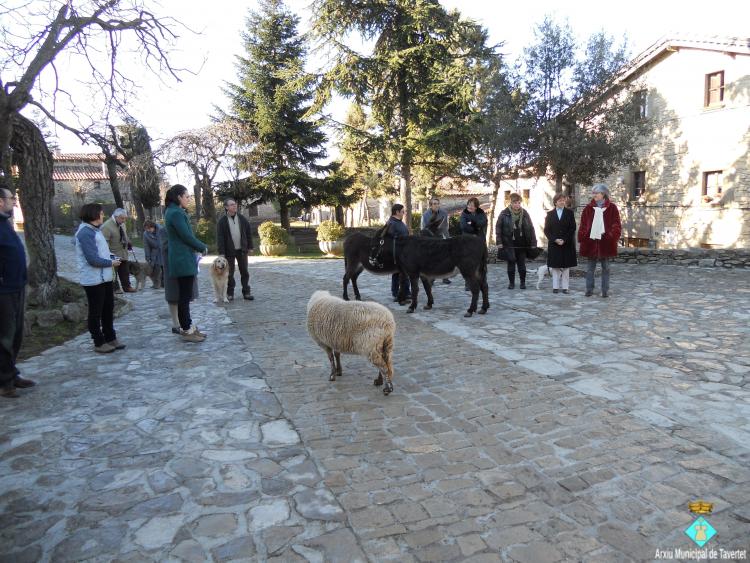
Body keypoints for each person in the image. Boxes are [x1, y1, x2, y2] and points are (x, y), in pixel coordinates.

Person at [74, 203, 126, 354]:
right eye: (101, 214)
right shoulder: (85, 233)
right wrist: (112, 262)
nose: (103, 216)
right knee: (96, 312)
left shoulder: (95, 231)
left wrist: (112, 257)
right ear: (94, 215)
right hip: (93, 279)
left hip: (104, 278)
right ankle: (98, 341)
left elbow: (101, 253)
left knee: (108, 309)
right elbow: (92, 259)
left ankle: (111, 337)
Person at [0, 187, 36, 398]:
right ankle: (4, 382)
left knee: (15, 334)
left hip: (16, 286)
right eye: (11, 198)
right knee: (4, 336)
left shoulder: (4, 222)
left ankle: (11, 374)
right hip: (4, 290)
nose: (14, 202)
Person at [164, 184, 208, 342]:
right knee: (184, 296)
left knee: (185, 295)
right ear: (179, 197)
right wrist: (202, 247)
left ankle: (188, 326)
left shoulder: (175, 211)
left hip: (183, 257)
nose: (189, 199)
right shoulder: (175, 213)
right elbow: (186, 236)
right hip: (182, 258)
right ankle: (187, 329)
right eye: (187, 196)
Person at [578, 183, 622, 298]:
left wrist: (610, 235)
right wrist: (584, 235)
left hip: (605, 243)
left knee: (606, 268)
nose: (594, 195)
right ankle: (589, 290)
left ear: (603, 194)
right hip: (591, 242)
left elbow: (616, 225)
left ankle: (605, 291)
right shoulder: (588, 208)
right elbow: (583, 225)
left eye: (596, 193)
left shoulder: (612, 208)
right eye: (594, 193)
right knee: (589, 269)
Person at [496, 193, 537, 289]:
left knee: (522, 265)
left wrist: (533, 242)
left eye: (519, 203)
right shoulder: (504, 213)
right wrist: (499, 241)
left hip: (522, 243)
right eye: (515, 203)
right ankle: (511, 283)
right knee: (511, 263)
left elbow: (531, 228)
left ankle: (523, 283)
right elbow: (498, 228)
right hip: (509, 243)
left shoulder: (525, 213)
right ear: (511, 203)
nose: (517, 205)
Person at [216, 198, 254, 301]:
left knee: (244, 271)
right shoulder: (222, 222)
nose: (234, 206)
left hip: (242, 250)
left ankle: (246, 292)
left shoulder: (242, 219)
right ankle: (230, 293)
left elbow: (248, 233)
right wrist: (221, 252)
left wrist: (250, 246)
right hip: (229, 252)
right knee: (229, 273)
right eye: (232, 205)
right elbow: (220, 238)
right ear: (226, 207)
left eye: (235, 204)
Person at [543, 193, 577, 294]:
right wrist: (555, 240)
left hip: (567, 243)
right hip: (554, 244)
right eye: (560, 200)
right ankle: (555, 287)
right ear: (555, 202)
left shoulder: (569, 213)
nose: (562, 202)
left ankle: (565, 287)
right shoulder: (550, 214)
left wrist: (564, 240)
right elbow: (547, 230)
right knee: (555, 266)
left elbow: (572, 228)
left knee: (566, 267)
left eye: (563, 200)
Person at [101, 208, 136, 293]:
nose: (124, 220)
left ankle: (127, 287)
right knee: (114, 273)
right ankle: (115, 288)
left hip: (123, 252)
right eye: (122, 218)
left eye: (125, 218)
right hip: (113, 253)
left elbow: (124, 234)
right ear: (116, 217)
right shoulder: (107, 226)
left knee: (125, 271)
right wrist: (109, 256)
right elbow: (104, 243)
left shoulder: (122, 224)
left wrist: (128, 242)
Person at [459, 198, 488, 291]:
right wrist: (476, 228)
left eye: (472, 205)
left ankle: (482, 282)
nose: (470, 206)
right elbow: (464, 226)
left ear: (476, 207)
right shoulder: (464, 214)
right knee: (468, 264)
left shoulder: (481, 213)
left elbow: (483, 222)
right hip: (468, 242)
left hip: (479, 242)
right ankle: (468, 284)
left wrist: (472, 223)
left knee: (481, 263)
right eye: (469, 204)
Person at [421, 197, 451, 284]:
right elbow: (423, 228)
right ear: (430, 205)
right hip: (430, 239)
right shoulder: (425, 215)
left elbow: (446, 227)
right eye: (434, 204)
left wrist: (447, 238)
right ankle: (431, 277)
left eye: (437, 203)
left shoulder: (444, 213)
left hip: (441, 237)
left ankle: (445, 277)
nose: (436, 205)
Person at [387, 203, 412, 301]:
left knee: (404, 273)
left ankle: (406, 291)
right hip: (397, 253)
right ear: (397, 212)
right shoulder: (391, 223)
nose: (404, 213)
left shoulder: (399, 222)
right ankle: (396, 292)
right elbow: (390, 239)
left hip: (404, 252)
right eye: (402, 211)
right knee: (397, 273)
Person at [143, 220, 164, 289]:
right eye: (146, 229)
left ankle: (164, 283)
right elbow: (146, 247)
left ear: (153, 227)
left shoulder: (161, 230)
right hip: (155, 254)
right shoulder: (145, 234)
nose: (148, 230)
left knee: (165, 268)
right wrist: (147, 257)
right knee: (156, 269)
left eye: (149, 228)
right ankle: (156, 284)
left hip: (164, 251)